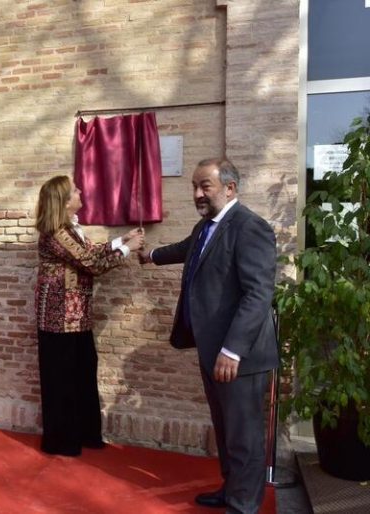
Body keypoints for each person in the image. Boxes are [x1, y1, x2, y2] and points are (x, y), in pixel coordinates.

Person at [139, 158, 278, 514]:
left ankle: (243, 506)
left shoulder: (250, 227)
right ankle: (231, 489)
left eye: (206, 186)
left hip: (239, 356)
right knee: (225, 428)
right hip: (212, 350)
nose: (198, 194)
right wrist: (151, 256)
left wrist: (232, 350)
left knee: (244, 437)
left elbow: (258, 294)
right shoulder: (208, 226)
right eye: (195, 187)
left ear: (230, 188)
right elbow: (187, 249)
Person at [34, 175, 144, 456]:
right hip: (58, 320)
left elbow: (90, 251)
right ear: (63, 200)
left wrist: (122, 240)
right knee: (62, 380)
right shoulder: (56, 232)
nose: (80, 191)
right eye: (74, 190)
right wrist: (128, 250)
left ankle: (85, 434)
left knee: (83, 374)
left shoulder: (71, 229)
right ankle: (62, 441)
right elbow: (90, 263)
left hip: (78, 316)